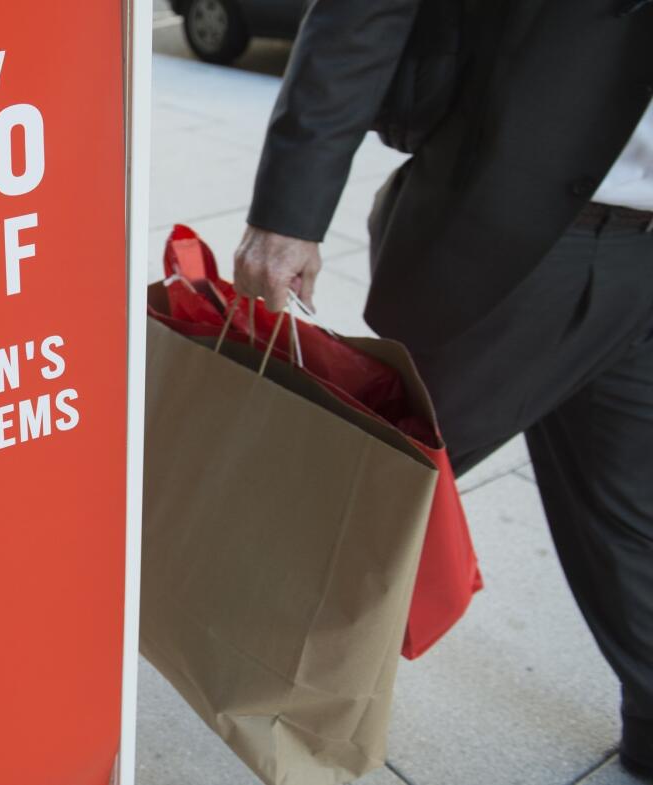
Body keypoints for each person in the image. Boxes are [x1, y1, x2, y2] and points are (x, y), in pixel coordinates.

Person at [232, 0, 653, 776]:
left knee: (635, 515)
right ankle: (235, 664)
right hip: (514, 238)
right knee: (362, 497)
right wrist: (289, 211)